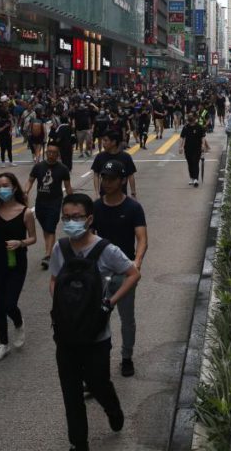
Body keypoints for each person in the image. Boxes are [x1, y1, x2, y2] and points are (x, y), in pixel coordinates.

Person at [50, 193, 141, 451]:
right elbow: (55, 279)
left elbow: (133, 273)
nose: (70, 222)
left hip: (96, 335)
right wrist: (60, 304)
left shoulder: (106, 250)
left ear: (89, 219)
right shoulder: (61, 248)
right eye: (66, 218)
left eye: (76, 217)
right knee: (71, 392)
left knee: (98, 381)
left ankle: (112, 408)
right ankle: (79, 444)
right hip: (66, 333)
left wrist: (109, 303)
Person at [91, 161, 148, 377]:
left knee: (127, 318)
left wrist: (138, 261)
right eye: (104, 178)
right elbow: (88, 237)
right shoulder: (95, 207)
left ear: (122, 180)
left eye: (111, 178)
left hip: (125, 273)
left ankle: (127, 357)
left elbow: (142, 239)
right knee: (98, 318)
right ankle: (98, 363)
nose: (106, 182)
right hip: (100, 273)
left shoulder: (133, 207)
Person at [0, 172, 37, 361]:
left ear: (14, 187)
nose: (2, 189)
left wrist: (20, 243)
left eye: (6, 185)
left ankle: (19, 323)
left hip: (17, 262)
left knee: (10, 304)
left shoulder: (25, 212)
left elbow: (33, 238)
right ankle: (3, 344)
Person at [25, 144, 73, 269]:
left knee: (50, 227)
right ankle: (50, 250)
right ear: (46, 153)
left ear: (58, 154)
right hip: (40, 202)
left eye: (54, 152)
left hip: (55, 202)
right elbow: (30, 180)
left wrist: (72, 201)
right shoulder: (39, 166)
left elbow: (68, 186)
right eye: (49, 152)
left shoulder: (63, 169)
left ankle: (47, 255)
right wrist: (26, 191)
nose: (51, 154)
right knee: (46, 227)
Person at [91, 131, 137, 198]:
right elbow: (96, 175)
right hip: (104, 196)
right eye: (103, 140)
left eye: (106, 140)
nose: (103, 143)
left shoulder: (125, 157)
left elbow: (130, 175)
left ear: (114, 142)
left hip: (121, 196)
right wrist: (97, 193)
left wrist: (133, 193)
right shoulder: (99, 157)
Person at [179, 113, 210, 187]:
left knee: (195, 162)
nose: (190, 118)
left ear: (194, 118)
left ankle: (196, 179)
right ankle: (192, 178)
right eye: (189, 117)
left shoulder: (199, 127)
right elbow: (182, 137)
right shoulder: (186, 127)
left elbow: (202, 137)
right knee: (190, 163)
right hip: (188, 148)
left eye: (191, 116)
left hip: (197, 148)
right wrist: (180, 147)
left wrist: (203, 145)